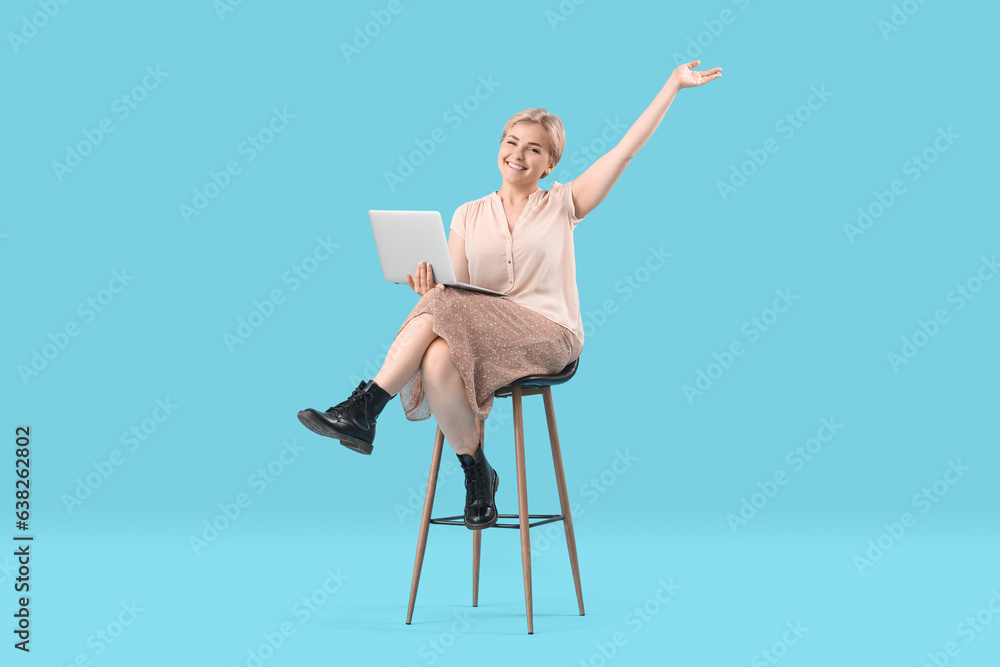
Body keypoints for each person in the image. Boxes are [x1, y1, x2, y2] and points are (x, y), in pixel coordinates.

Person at [298, 59, 722, 529]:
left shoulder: (564, 202)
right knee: (437, 355)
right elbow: (453, 290)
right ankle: (478, 474)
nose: (518, 154)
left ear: (550, 163)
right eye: (511, 142)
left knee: (442, 310)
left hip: (550, 334)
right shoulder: (468, 213)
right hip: (482, 331)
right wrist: (426, 284)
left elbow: (624, 152)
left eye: (534, 149)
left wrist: (672, 87)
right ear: (499, 147)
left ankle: (366, 406)